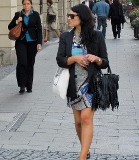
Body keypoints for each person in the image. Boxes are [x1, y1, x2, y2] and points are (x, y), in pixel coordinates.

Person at [56, 4, 109, 160]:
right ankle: (85, 150)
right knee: (78, 121)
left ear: (82, 18)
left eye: (72, 16)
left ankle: (82, 157)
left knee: (86, 118)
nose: (69, 19)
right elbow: (60, 60)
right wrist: (74, 58)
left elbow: (105, 62)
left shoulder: (97, 36)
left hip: (91, 83)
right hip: (73, 84)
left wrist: (96, 58)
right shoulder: (66, 36)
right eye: (68, 16)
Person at [8, 0, 42, 94]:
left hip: (32, 41)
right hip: (21, 41)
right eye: (24, 4)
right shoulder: (18, 14)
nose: (26, 6)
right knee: (22, 62)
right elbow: (9, 26)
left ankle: (29, 85)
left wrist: (39, 43)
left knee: (30, 63)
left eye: (28, 4)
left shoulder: (35, 14)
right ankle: (22, 85)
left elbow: (39, 29)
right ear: (22, 5)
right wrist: (16, 21)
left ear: (31, 4)